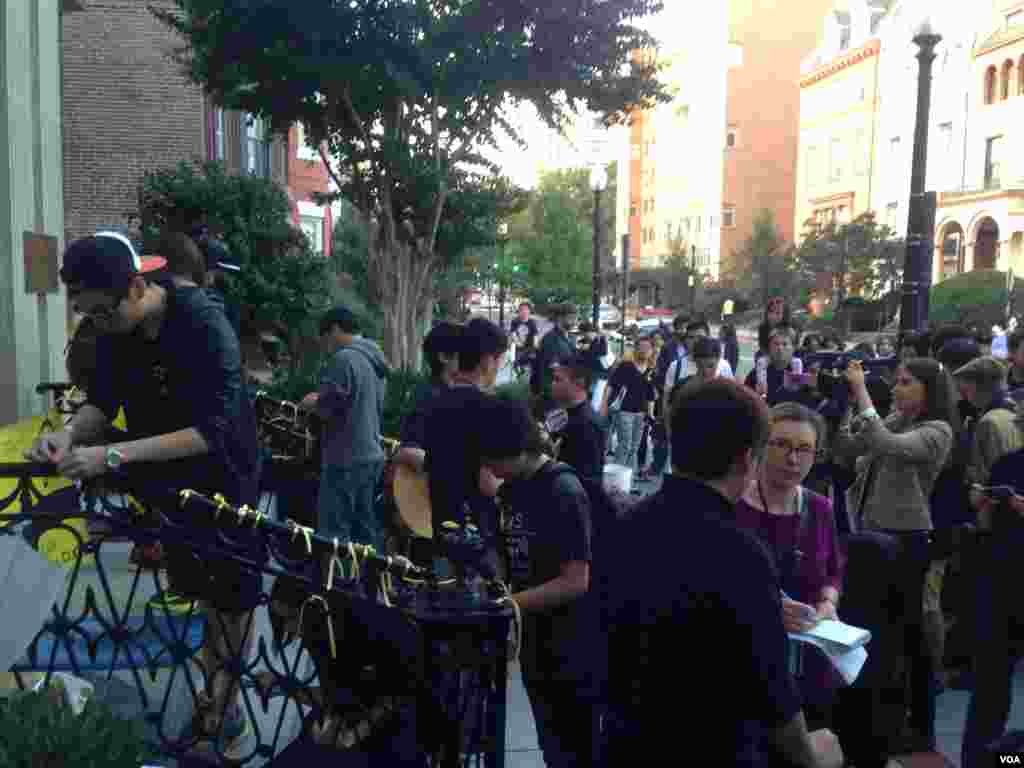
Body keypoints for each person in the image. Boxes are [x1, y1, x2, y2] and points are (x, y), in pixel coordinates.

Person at [27, 231, 262, 756]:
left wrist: (111, 456)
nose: (96, 324)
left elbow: (211, 431)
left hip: (225, 480)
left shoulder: (203, 323)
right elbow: (104, 400)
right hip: (167, 481)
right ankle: (213, 698)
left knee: (231, 599)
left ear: (136, 288)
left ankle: (227, 707)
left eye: (101, 312)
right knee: (198, 591)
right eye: (86, 314)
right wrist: (70, 435)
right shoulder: (115, 332)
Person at [603, 379, 844, 768]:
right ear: (749, 459)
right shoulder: (739, 552)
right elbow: (771, 687)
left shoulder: (627, 523)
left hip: (626, 741)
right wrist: (811, 756)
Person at [833, 357, 958, 751]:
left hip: (907, 540)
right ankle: (874, 716)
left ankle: (916, 727)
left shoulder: (937, 430)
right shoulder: (894, 419)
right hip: (871, 534)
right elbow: (851, 447)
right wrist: (848, 405)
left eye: (906, 382)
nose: (898, 388)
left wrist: (861, 391)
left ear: (928, 391)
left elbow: (886, 445)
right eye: (897, 381)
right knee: (873, 634)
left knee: (903, 636)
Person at [480, 399, 598, 768]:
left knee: (575, 744)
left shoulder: (563, 491)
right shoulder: (511, 488)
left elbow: (576, 580)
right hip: (533, 636)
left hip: (570, 640)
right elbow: (504, 548)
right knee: (549, 738)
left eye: (491, 459)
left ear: (515, 449)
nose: (488, 469)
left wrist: (512, 603)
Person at [733, 403, 844, 730]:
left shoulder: (820, 508)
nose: (793, 459)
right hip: (747, 660)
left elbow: (834, 570)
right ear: (759, 445)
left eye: (804, 449)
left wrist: (828, 602)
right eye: (781, 445)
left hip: (809, 656)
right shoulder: (733, 506)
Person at [300, 306, 389, 550]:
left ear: (336, 329)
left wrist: (312, 402)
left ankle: (332, 585)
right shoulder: (375, 358)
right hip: (371, 456)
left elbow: (329, 406)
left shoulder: (345, 358)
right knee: (364, 535)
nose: (326, 345)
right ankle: (366, 585)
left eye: (325, 337)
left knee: (333, 534)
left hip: (344, 458)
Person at [961, 441, 1024, 767]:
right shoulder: (1007, 463)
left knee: (990, 688)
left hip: (1001, 585)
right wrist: (981, 505)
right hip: (1002, 585)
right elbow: (986, 529)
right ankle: (981, 762)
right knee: (989, 689)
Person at [423, 318, 507, 545]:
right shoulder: (492, 409)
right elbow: (488, 484)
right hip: (477, 528)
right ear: (489, 360)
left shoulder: (433, 401)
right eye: (500, 361)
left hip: (440, 519)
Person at [394, 321, 463, 472]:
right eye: (464, 352)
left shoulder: (457, 394)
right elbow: (409, 450)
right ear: (444, 357)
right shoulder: (427, 396)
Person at [601, 336, 655, 478]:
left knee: (635, 447)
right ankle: (616, 477)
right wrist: (604, 405)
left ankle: (627, 479)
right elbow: (611, 386)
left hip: (641, 414)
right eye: (641, 347)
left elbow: (651, 396)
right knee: (625, 444)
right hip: (624, 411)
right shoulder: (626, 366)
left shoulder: (650, 371)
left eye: (647, 348)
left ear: (651, 351)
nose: (644, 350)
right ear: (635, 349)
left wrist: (650, 414)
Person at [550, 357, 607, 480]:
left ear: (579, 383)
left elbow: (589, 478)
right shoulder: (564, 413)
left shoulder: (587, 424)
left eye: (557, 380)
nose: (552, 384)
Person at [744, 323, 800, 405]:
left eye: (785, 344)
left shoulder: (802, 375)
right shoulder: (755, 375)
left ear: (793, 348)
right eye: (776, 344)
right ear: (769, 348)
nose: (780, 348)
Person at [532, 303, 577, 401]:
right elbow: (552, 368)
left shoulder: (571, 337)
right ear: (560, 318)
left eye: (575, 318)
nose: (574, 322)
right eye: (571, 318)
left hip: (566, 389)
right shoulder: (550, 339)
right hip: (553, 393)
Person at [576, 322, 610, 410]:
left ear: (589, 331)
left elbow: (601, 353)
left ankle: (594, 416)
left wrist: (584, 351)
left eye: (583, 334)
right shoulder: (591, 341)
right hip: (594, 374)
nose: (583, 336)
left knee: (596, 398)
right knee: (592, 395)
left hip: (601, 374)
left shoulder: (600, 339)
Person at [509, 302, 539, 367]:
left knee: (534, 359)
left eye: (526, 309)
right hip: (518, 347)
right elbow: (513, 334)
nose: (524, 312)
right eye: (521, 310)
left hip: (529, 347)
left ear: (529, 311)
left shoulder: (532, 322)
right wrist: (518, 343)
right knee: (516, 361)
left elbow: (535, 335)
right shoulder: (515, 321)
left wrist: (535, 345)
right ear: (519, 311)